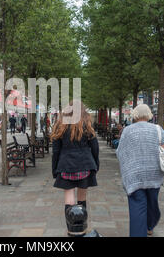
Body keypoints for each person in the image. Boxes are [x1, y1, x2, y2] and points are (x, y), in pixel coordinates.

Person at [116, 104, 164, 237]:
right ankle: (149, 225)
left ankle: (141, 230)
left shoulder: (127, 130)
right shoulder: (157, 129)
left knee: (137, 206)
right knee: (153, 202)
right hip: (154, 173)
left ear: (135, 115)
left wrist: (128, 165)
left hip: (134, 174)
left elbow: (120, 152)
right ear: (149, 115)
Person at [51, 100, 99, 236]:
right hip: (85, 165)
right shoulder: (87, 125)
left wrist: (55, 169)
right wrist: (95, 164)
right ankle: (82, 229)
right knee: (82, 198)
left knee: (69, 199)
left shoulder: (60, 125)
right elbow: (95, 147)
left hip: (66, 165)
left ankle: (71, 230)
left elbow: (56, 151)